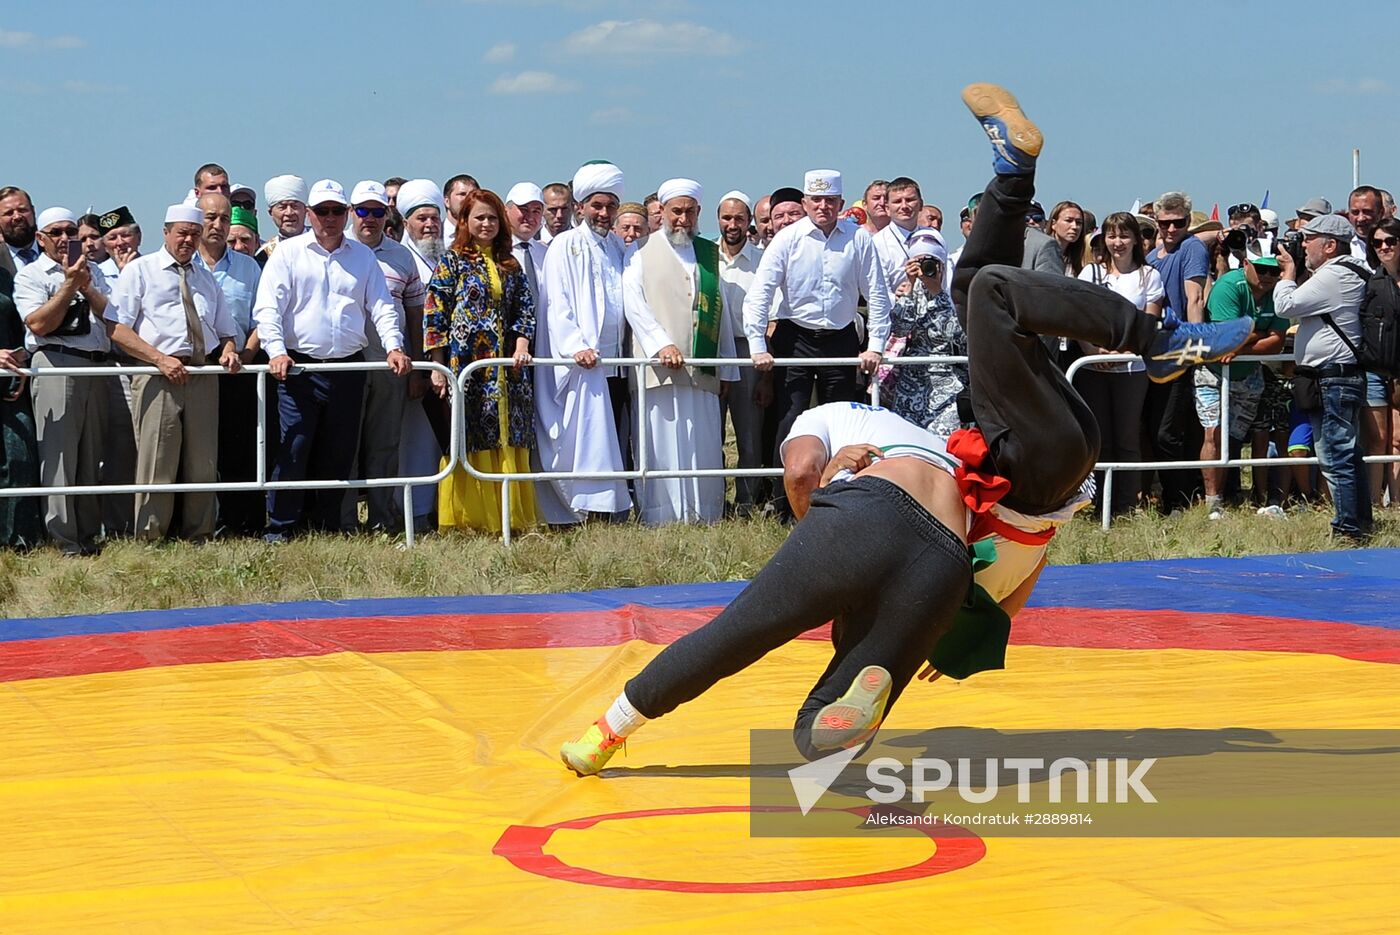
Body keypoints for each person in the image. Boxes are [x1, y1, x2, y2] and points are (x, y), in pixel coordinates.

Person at [559, 83, 1254, 775]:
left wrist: (960, 604)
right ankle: (1117, 298)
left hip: (996, 508)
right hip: (988, 478)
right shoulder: (859, 427)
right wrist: (831, 503)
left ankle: (619, 731)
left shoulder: (825, 426)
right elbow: (811, 476)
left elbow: (807, 473)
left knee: (980, 285)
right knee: (986, 293)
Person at [253, 179, 411, 542]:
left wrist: (393, 346)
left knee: (338, 451)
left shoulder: (362, 256)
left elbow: (382, 307)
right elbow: (268, 308)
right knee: (293, 446)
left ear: (347, 214)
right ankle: (281, 528)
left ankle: (327, 526)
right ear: (310, 214)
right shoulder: (288, 253)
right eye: (322, 211)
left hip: (346, 367)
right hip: (298, 368)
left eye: (337, 211)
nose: (329, 218)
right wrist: (276, 350)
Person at [742, 168, 891, 516]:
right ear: (805, 202)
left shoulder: (859, 239)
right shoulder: (787, 238)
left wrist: (876, 345)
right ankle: (784, 505)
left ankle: (840, 502)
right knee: (790, 419)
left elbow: (878, 296)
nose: (823, 206)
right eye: (816, 200)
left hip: (841, 339)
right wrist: (757, 346)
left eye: (830, 200)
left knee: (842, 422)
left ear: (840, 202)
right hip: (795, 338)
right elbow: (759, 294)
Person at [105, 204, 241, 542]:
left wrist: (228, 350)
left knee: (203, 462)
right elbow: (116, 328)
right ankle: (150, 537)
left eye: (194, 234)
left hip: (201, 373)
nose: (188, 240)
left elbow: (225, 330)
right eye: (182, 233)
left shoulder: (205, 276)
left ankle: (200, 534)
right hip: (157, 375)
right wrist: (158, 359)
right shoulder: (140, 271)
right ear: (165, 232)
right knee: (157, 461)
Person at [622, 179, 738, 526]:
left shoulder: (707, 253)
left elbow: (722, 312)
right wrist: (661, 344)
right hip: (658, 369)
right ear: (662, 213)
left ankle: (705, 515)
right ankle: (661, 518)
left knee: (701, 442)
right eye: (676, 211)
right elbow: (634, 304)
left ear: (698, 213)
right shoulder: (640, 251)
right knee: (660, 443)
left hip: (701, 370)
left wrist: (727, 368)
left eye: (689, 212)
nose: (682, 219)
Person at [425, 188, 538, 533]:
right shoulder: (453, 261)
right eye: (479, 217)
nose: (486, 224)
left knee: (507, 435)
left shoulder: (510, 263)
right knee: (469, 435)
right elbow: (434, 313)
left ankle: (509, 517)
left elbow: (525, 309)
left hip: (507, 371)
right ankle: (470, 518)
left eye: (492, 217)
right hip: (466, 367)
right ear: (464, 221)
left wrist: (521, 345)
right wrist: (438, 366)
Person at [12, 208, 113, 554]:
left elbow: (114, 316)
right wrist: (70, 284)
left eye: (71, 231)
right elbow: (38, 324)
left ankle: (88, 534)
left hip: (97, 365)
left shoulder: (95, 270)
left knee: (91, 455)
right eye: (55, 232)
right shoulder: (31, 276)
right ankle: (63, 539)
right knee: (59, 456)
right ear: (40, 238)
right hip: (57, 363)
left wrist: (86, 283)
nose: (64, 238)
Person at [536, 163, 632, 523]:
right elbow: (557, 303)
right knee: (584, 438)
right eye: (597, 205)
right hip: (582, 362)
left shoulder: (616, 248)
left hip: (615, 360)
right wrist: (575, 345)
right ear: (580, 207)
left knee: (611, 438)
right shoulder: (565, 244)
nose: (604, 213)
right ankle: (583, 509)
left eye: (610, 206)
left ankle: (610, 507)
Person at [1274, 212, 1371, 540]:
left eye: (1308, 239)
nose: (1302, 245)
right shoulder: (1353, 270)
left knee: (1334, 455)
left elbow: (1286, 306)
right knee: (1349, 453)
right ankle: (1360, 522)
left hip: (1332, 377)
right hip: (1339, 376)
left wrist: (1287, 273)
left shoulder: (1334, 276)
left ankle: (1347, 529)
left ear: (1330, 245)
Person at [344, 180, 425, 533]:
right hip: (346, 360)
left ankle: (380, 518)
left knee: (384, 443)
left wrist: (418, 367)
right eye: (363, 210)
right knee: (344, 443)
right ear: (352, 213)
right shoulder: (337, 248)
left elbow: (416, 316)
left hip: (388, 362)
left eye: (378, 212)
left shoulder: (402, 256)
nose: (370, 218)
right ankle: (343, 520)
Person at [1075, 212, 1164, 514]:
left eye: (1124, 236)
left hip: (1132, 368)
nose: (1118, 242)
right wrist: (1094, 352)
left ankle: (1126, 505)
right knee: (1098, 438)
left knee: (1127, 438)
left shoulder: (1149, 276)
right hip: (1093, 367)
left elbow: (1148, 322)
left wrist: (1125, 352)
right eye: (1112, 236)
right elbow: (1078, 319)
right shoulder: (1090, 274)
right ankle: (1097, 503)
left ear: (1136, 240)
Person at [193, 193, 266, 536]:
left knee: (240, 449)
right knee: (197, 451)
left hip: (239, 369)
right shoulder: (183, 262)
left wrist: (246, 356)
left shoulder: (248, 267)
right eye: (211, 218)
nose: (218, 226)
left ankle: (242, 524)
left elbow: (261, 320)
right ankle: (199, 522)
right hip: (193, 371)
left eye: (224, 219)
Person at [1195, 254, 1287, 519]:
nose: (1268, 276)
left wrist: (1242, 344)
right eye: (1261, 269)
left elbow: (1277, 343)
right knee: (1213, 434)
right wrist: (1259, 334)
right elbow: (1226, 339)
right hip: (1211, 373)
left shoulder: (1278, 291)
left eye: (1275, 271)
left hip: (1249, 377)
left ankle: (1227, 495)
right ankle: (1213, 503)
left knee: (1233, 439)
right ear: (1246, 264)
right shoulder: (1228, 286)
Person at [1145, 189, 1210, 512]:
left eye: (1179, 222)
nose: (1172, 229)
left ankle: (1179, 500)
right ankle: (1172, 495)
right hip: (1153, 351)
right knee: (1158, 429)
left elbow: (1195, 298)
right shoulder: (1152, 256)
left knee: (1169, 433)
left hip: (1178, 350)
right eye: (1165, 223)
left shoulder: (1192, 247)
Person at [884, 229, 966, 437]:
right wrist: (910, 287)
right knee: (910, 441)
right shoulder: (909, 291)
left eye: (930, 262)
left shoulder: (957, 292)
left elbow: (956, 335)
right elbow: (900, 329)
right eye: (917, 261)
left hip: (950, 381)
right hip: (912, 380)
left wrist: (938, 293)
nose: (924, 268)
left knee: (944, 444)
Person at [715, 190, 766, 514]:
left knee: (749, 434)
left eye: (739, 218)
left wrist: (765, 376)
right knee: (711, 429)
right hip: (713, 348)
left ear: (749, 223)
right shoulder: (704, 257)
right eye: (727, 218)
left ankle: (747, 501)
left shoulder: (762, 261)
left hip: (749, 350)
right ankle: (715, 498)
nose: (733, 224)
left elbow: (771, 318)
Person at [0, 263, 42, 548]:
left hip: (8, 385)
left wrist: (22, 361)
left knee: (20, 457)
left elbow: (19, 329)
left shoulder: (4, 276)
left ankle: (19, 541)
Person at [1364, 217, 1400, 507]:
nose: (1384, 247)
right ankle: (1375, 504)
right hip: (1374, 370)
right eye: (1377, 243)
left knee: (1398, 441)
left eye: (1390, 241)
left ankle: (1398, 502)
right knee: (1377, 440)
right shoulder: (1369, 281)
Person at [872, 176, 937, 305]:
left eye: (910, 200)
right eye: (897, 201)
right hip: (896, 316)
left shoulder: (934, 237)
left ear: (921, 205)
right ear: (887, 208)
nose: (904, 206)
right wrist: (895, 296)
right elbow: (875, 291)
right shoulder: (877, 243)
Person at [255, 175, 307, 267]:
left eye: (295, 206)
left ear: (306, 210)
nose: (289, 212)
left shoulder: (322, 244)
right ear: (270, 213)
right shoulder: (264, 255)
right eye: (282, 207)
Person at [0, 187, 39, 275]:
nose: (17, 216)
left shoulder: (55, 253)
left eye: (22, 210)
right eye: (9, 213)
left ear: (33, 211)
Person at [97, 206, 141, 280]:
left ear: (139, 237)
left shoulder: (155, 267)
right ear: (104, 245)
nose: (120, 242)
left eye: (125, 235)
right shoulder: (98, 275)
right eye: (112, 238)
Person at [1047, 200, 1086, 277]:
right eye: (1068, 220)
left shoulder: (1078, 260)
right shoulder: (1041, 253)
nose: (1074, 227)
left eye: (1079, 222)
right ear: (1053, 224)